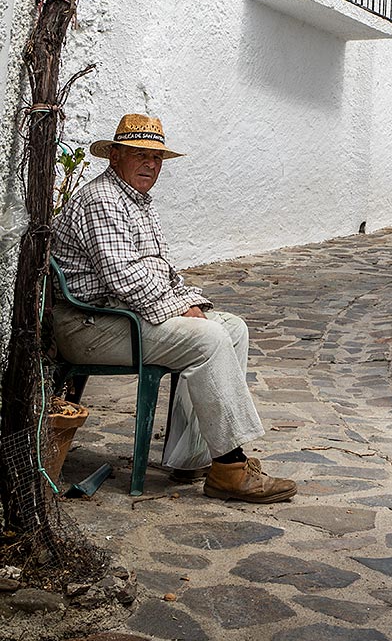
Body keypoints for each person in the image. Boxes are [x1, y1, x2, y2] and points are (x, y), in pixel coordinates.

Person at [51, 113, 297, 503]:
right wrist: (181, 308)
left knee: (232, 327)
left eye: (157, 158)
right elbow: (124, 278)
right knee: (208, 337)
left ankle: (192, 458)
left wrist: (190, 300)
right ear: (114, 156)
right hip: (92, 325)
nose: (151, 164)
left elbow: (163, 271)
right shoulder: (102, 199)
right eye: (140, 155)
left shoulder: (138, 201)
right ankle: (232, 467)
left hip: (125, 315)